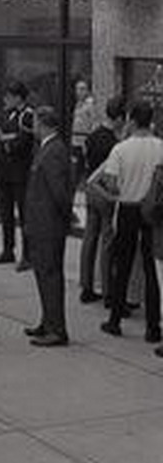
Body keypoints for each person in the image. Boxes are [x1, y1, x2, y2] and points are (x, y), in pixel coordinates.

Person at [95, 100, 163, 346]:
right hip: (154, 211)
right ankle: (153, 326)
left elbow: (111, 184)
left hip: (127, 207)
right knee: (152, 268)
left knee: (122, 264)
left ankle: (115, 319)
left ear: (132, 120)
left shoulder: (121, 149)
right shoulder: (161, 147)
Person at [23, 106, 72, 347]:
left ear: (43, 124)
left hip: (49, 225)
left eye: (34, 122)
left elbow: (59, 192)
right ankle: (47, 320)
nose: (32, 126)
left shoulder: (54, 151)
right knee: (43, 274)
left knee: (50, 275)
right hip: (41, 223)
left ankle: (57, 329)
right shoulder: (47, 148)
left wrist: (67, 217)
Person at [80, 96, 125, 304]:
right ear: (118, 118)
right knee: (107, 242)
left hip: (91, 191)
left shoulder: (92, 136)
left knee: (89, 238)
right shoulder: (114, 144)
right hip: (106, 192)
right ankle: (108, 290)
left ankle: (86, 286)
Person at [0, 80, 35, 267]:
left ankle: (28, 254)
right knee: (5, 212)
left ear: (18, 97)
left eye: (8, 96)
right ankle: (8, 249)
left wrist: (5, 139)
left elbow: (23, 142)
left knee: (24, 214)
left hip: (20, 172)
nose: (5, 100)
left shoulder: (27, 115)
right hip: (4, 171)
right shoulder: (6, 113)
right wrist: (3, 137)